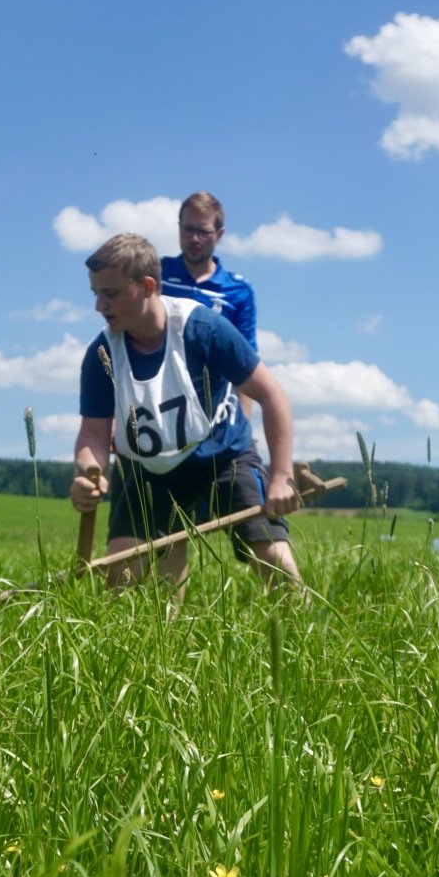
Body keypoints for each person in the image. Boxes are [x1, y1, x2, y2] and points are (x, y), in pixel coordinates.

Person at [70, 232, 301, 596]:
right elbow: (93, 436)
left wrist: (282, 477)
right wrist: (88, 472)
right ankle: (167, 628)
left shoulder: (202, 328)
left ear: (147, 287)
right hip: (147, 472)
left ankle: (302, 622)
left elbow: (272, 395)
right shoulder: (102, 353)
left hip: (223, 457)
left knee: (272, 556)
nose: (99, 305)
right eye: (95, 293)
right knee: (121, 578)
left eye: (110, 293)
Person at [161, 191, 259, 418]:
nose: (194, 239)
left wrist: (243, 426)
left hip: (214, 412)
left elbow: (245, 363)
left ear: (219, 234)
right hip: (159, 405)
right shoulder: (157, 276)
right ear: (179, 228)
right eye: (188, 229)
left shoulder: (238, 291)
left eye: (203, 232)